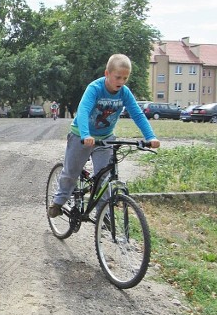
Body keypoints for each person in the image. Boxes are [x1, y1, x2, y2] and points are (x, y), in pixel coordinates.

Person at [48, 54, 160, 218]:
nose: (121, 82)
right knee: (71, 172)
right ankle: (58, 201)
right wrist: (86, 134)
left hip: (105, 137)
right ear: (107, 74)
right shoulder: (95, 88)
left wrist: (150, 137)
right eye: (118, 77)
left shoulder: (124, 93)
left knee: (104, 177)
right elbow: (84, 111)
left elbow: (137, 114)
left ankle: (103, 215)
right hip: (81, 135)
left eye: (125, 78)